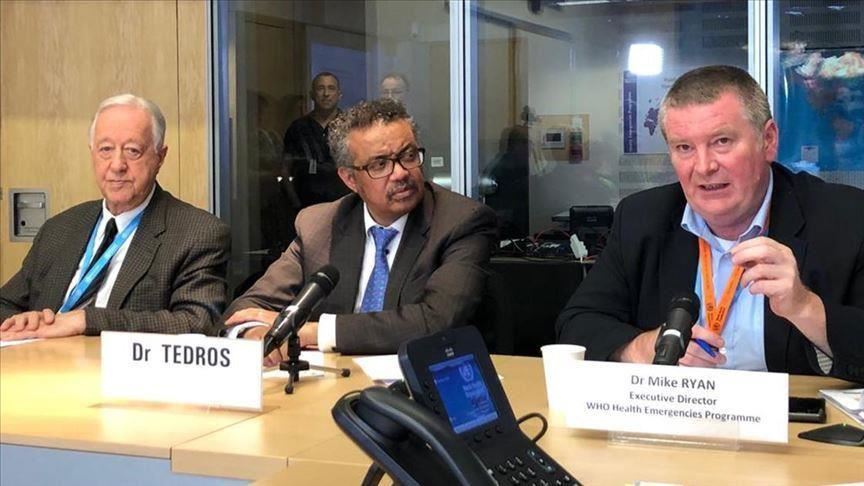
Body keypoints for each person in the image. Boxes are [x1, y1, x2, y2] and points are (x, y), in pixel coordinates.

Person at [556, 65, 864, 382]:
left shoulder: (846, 218)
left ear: (768, 140)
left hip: (790, 412)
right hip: (676, 408)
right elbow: (577, 324)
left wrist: (805, 307)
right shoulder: (642, 218)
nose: (704, 167)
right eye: (684, 148)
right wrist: (643, 348)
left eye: (721, 141)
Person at [225, 98, 497, 361]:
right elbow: (247, 308)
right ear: (350, 179)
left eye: (409, 156)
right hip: (333, 380)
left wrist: (313, 332)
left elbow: (437, 321)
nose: (401, 173)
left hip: (424, 381)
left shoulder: (460, 222)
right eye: (380, 164)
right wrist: (255, 333)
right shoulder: (319, 224)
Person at [0, 94, 230, 340]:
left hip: (115, 364)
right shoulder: (59, 228)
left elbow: (197, 322)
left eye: (132, 151)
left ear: (160, 157)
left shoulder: (197, 233)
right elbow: (5, 304)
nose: (117, 165)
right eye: (106, 150)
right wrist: (21, 321)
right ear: (92, 153)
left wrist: (87, 320)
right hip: (42, 360)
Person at [283, 72, 350, 207]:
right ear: (312, 95)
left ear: (339, 94)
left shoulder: (351, 126)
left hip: (345, 203)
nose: (326, 94)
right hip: (306, 204)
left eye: (331, 88)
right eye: (320, 88)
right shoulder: (298, 128)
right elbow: (285, 169)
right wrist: (295, 204)